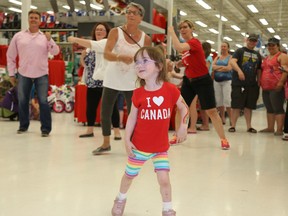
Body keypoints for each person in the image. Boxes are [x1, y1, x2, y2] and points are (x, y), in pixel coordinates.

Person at [111, 46, 189, 216]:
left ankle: (168, 209)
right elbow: (131, 118)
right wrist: (127, 140)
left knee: (164, 180)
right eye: (137, 62)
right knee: (128, 177)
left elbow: (184, 109)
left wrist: (183, 126)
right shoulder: (138, 93)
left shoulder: (170, 90)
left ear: (159, 66)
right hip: (139, 147)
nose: (139, 65)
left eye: (145, 60)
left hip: (160, 148)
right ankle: (120, 199)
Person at [92, 2, 151, 155]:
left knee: (134, 114)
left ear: (140, 18)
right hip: (112, 78)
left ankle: (134, 144)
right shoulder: (115, 32)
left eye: (134, 13)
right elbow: (106, 53)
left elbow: (148, 61)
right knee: (105, 111)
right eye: (128, 12)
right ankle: (106, 143)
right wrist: (119, 57)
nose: (130, 14)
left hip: (133, 82)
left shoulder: (146, 39)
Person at [168, 20, 230, 150]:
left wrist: (172, 32)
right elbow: (189, 60)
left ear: (192, 29)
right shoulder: (187, 48)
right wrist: (180, 63)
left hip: (202, 81)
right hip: (188, 81)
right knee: (180, 107)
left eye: (185, 27)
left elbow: (179, 47)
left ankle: (223, 139)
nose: (183, 30)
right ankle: (177, 135)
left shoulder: (194, 42)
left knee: (211, 111)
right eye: (180, 28)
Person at [7, 10, 59, 137]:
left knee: (43, 101)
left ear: (40, 20)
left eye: (36, 17)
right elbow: (10, 55)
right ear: (28, 19)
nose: (33, 19)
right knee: (23, 100)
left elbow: (56, 52)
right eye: (31, 17)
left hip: (41, 73)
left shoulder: (45, 37)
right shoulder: (18, 36)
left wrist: (50, 40)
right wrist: (12, 73)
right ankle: (23, 126)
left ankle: (46, 129)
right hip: (23, 73)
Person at [68, 23, 121, 139]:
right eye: (97, 29)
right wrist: (83, 57)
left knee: (112, 106)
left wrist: (75, 39)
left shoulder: (106, 43)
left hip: (107, 81)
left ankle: (117, 131)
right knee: (91, 106)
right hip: (92, 81)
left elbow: (96, 46)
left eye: (102, 30)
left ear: (107, 33)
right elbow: (86, 64)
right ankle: (89, 130)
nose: (99, 32)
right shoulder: (89, 48)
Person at [229, 33, 262, 133]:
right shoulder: (240, 51)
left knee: (249, 106)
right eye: (250, 40)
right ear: (247, 40)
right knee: (236, 105)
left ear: (256, 42)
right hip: (238, 83)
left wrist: (259, 81)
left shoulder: (257, 55)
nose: (252, 42)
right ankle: (233, 126)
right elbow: (232, 62)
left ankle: (249, 126)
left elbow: (259, 69)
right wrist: (239, 71)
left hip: (252, 84)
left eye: (254, 41)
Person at [259, 37, 288, 135]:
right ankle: (270, 127)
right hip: (266, 87)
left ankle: (279, 129)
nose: (271, 47)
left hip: (276, 87)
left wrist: (281, 83)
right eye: (269, 45)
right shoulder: (266, 58)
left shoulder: (282, 56)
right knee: (269, 108)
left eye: (273, 45)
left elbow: (285, 71)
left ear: (278, 46)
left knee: (278, 108)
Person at [212, 42, 232, 125]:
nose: (223, 48)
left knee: (227, 100)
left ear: (228, 48)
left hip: (227, 81)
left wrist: (218, 68)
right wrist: (222, 68)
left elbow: (229, 68)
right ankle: (222, 118)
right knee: (219, 100)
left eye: (225, 46)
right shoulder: (217, 57)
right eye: (222, 46)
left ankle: (231, 119)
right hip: (217, 81)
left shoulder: (231, 57)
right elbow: (212, 67)